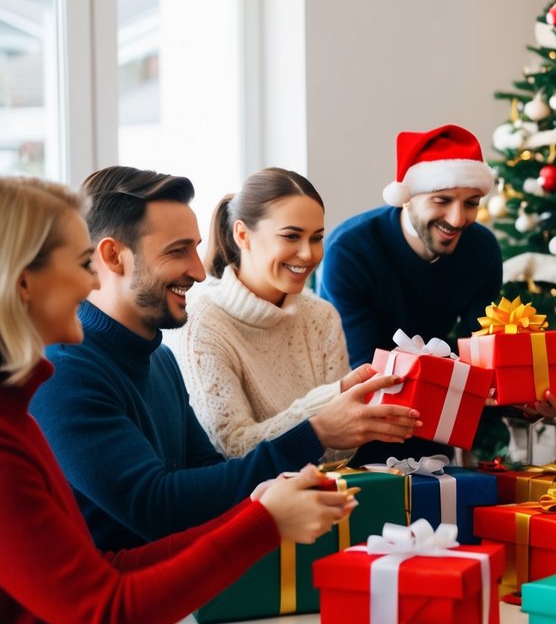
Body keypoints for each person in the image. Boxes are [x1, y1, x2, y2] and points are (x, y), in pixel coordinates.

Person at [0, 175, 354, 624]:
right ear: (21, 284)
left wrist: (260, 511)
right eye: (78, 260)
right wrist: (263, 520)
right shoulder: (47, 394)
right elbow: (112, 600)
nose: (198, 267)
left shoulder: (54, 394)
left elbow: (113, 563)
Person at [29, 166, 412, 554]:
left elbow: (212, 477)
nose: (198, 270)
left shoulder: (160, 361)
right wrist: (314, 434)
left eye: (195, 248)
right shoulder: (63, 371)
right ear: (113, 256)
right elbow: (154, 505)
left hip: (182, 602)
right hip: (119, 609)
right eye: (178, 250)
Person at [320, 125, 556, 463]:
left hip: (434, 424)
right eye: (442, 201)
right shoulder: (350, 251)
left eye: (471, 204)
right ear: (407, 197)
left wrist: (525, 397)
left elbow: (483, 355)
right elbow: (364, 373)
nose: (457, 219)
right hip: (353, 427)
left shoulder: (481, 249)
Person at [164, 167, 416, 461]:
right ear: (243, 235)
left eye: (316, 237)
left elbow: (340, 452)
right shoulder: (202, 323)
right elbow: (230, 450)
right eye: (291, 236)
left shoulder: (322, 317)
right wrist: (326, 409)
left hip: (322, 498)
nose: (308, 254)